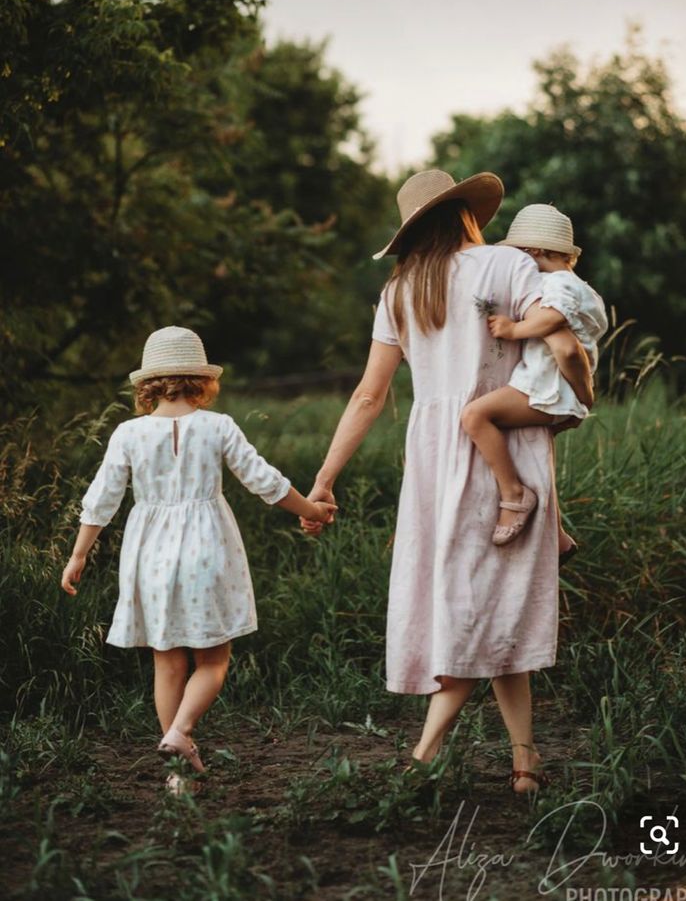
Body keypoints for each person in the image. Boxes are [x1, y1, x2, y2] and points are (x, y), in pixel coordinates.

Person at [300, 169, 592, 793]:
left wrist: (324, 479)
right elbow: (559, 341)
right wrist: (581, 399)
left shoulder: (398, 291)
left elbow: (368, 396)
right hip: (504, 446)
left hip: (436, 457)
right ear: (466, 212)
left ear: (412, 229)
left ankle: (521, 760)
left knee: (483, 602)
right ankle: (433, 753)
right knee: (486, 603)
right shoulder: (508, 267)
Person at [61, 326, 336, 793]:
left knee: (167, 665)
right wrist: (311, 510)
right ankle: (180, 733)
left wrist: (78, 554)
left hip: (149, 554)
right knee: (213, 661)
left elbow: (102, 498)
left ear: (147, 384)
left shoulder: (129, 433)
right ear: (203, 381)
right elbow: (262, 480)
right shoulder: (218, 426)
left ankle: (178, 773)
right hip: (207, 549)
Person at [461, 204, 607, 556]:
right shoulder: (583, 288)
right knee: (528, 451)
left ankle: (514, 495)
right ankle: (556, 537)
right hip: (555, 391)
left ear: (533, 253)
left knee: (474, 416)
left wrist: (514, 329)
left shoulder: (556, 284)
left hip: (547, 389)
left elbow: (558, 331)